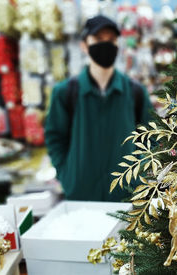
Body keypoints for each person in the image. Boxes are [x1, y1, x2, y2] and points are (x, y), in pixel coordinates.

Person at [45, 15, 152, 201]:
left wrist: (137, 175)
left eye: (111, 40)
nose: (106, 45)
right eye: (98, 39)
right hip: (80, 195)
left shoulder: (135, 92)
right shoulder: (65, 92)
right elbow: (55, 138)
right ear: (84, 45)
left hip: (126, 195)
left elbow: (151, 138)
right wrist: (67, 175)